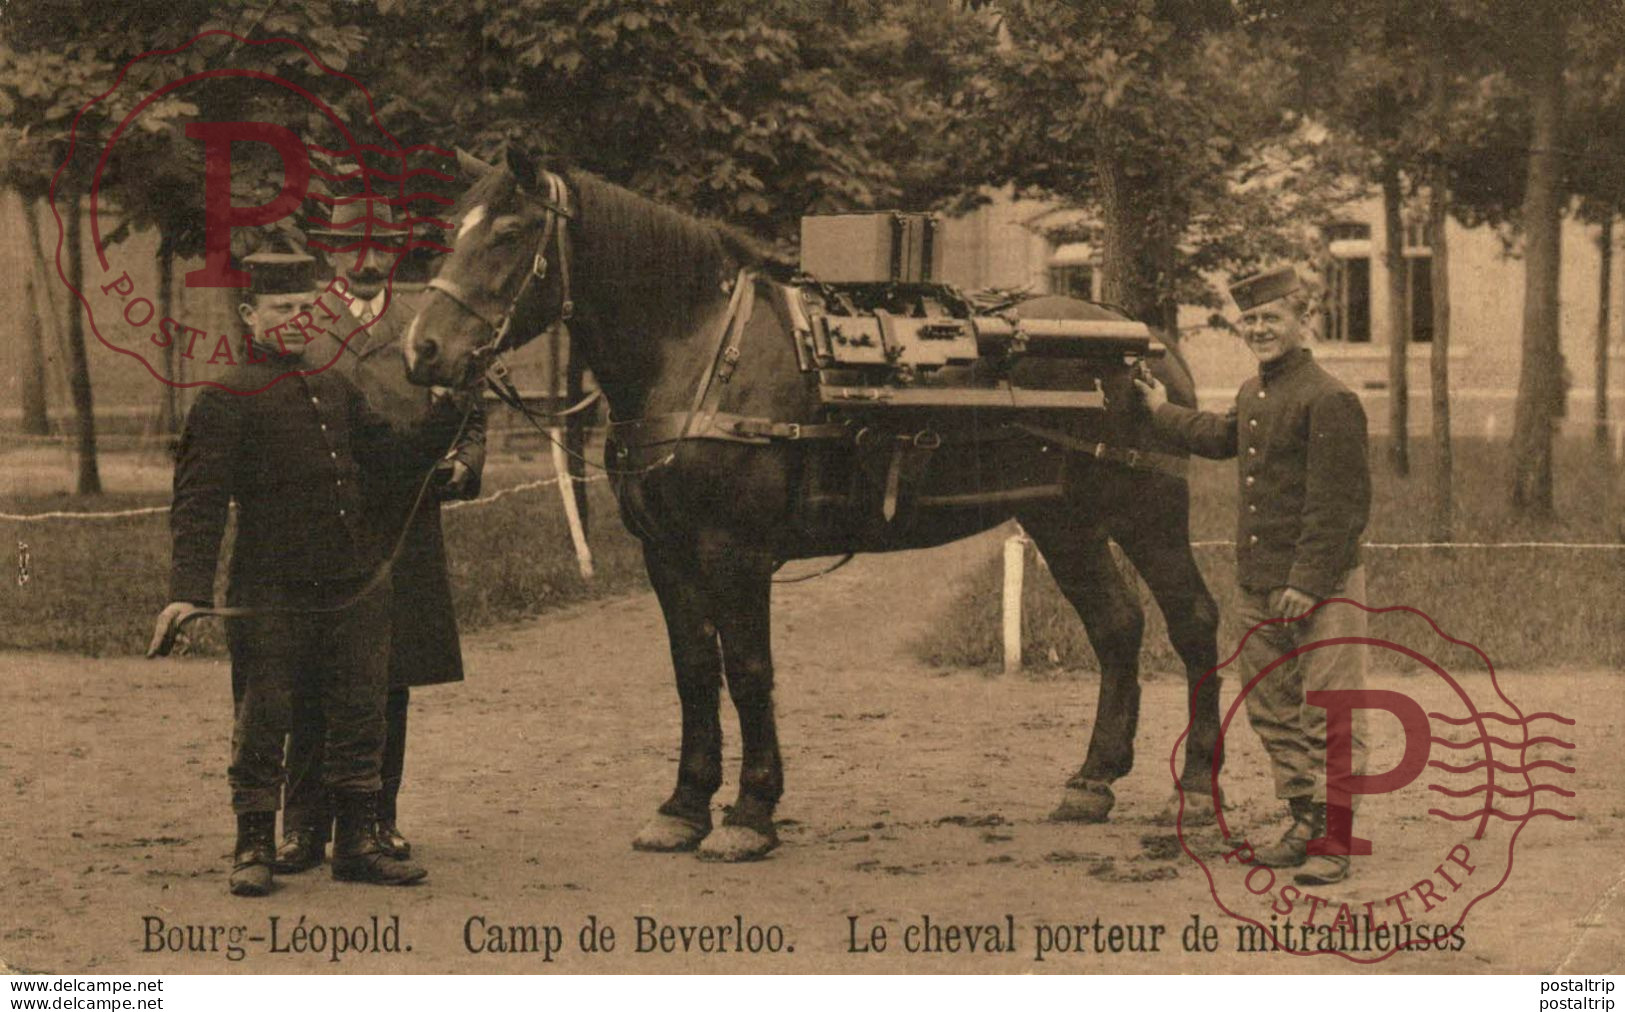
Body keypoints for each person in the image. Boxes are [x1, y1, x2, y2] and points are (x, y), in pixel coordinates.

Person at [151, 251, 428, 895]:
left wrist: (451, 404)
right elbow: (197, 505)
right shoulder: (226, 397)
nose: (299, 320)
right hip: (268, 589)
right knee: (264, 715)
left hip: (351, 587)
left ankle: (358, 844)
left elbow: (393, 460)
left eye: (308, 308)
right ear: (250, 316)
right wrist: (187, 594)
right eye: (283, 308)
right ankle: (253, 848)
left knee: (361, 713)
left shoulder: (336, 386)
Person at [1134, 265, 1371, 886]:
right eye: (1251, 320)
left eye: (1272, 318)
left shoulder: (1330, 398)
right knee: (1272, 707)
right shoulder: (1254, 394)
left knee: (1330, 710)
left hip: (1320, 586)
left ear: (1303, 322)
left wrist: (1309, 581)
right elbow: (1217, 437)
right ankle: (1303, 820)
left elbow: (1339, 507)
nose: (1260, 329)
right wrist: (1159, 410)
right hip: (1260, 581)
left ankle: (1336, 839)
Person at [273, 208, 486, 874]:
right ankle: (302, 827)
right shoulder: (301, 327)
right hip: (321, 521)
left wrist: (466, 462)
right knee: (310, 671)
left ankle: (376, 820)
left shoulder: (425, 321)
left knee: (391, 674)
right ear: (331, 253)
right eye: (351, 245)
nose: (367, 258)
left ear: (395, 249)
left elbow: (468, 403)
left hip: (405, 518)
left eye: (381, 244)